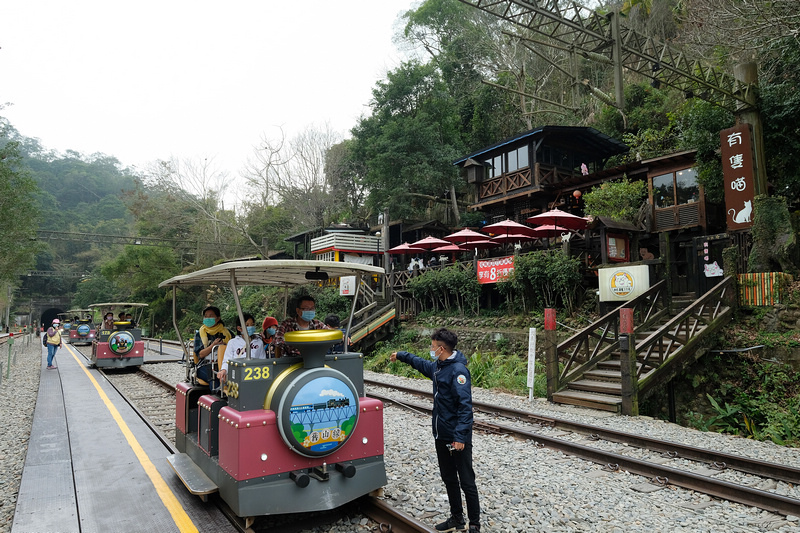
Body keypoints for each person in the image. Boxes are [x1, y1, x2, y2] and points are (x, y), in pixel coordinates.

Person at [390, 329, 481, 533]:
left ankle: (474, 523)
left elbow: (465, 407)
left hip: (457, 437)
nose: (431, 350)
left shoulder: (458, 371)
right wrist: (402, 355)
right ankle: (457, 518)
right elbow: (420, 363)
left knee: (466, 480)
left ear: (441, 348)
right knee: (449, 478)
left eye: (432, 347)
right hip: (441, 434)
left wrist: (459, 437)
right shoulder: (439, 367)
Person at [217, 312, 264, 383]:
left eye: (252, 325)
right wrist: (223, 370)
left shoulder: (259, 342)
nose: (250, 327)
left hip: (255, 375)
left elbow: (263, 360)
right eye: (247, 325)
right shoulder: (233, 343)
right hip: (237, 375)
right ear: (239, 328)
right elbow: (227, 361)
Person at [193, 305, 232, 388]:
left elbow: (235, 348)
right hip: (205, 365)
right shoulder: (200, 333)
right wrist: (213, 345)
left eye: (211, 316)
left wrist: (226, 346)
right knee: (214, 377)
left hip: (224, 364)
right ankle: (217, 396)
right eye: (206, 316)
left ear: (218, 318)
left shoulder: (227, 333)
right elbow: (200, 355)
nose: (208, 318)